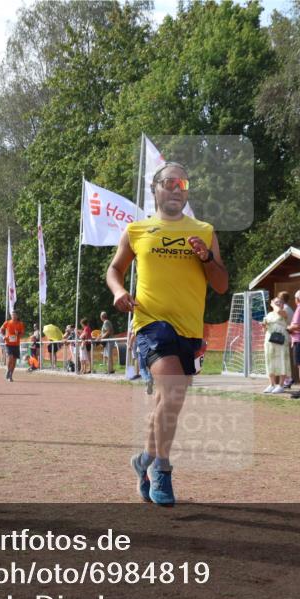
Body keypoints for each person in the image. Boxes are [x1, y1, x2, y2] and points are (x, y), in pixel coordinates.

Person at [107, 161, 228, 506]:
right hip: (151, 322)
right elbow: (114, 269)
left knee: (167, 401)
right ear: (155, 189)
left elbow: (221, 284)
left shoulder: (204, 231)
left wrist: (206, 258)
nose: (176, 188)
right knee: (172, 391)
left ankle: (143, 460)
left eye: (182, 184)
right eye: (169, 183)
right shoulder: (136, 230)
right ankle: (162, 469)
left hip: (189, 328)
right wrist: (118, 291)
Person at [262, 298, 290, 394]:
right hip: (269, 340)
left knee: (282, 360)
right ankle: (272, 384)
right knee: (270, 361)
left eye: (280, 302)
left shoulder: (284, 312)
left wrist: (273, 304)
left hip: (281, 340)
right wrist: (264, 326)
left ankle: (281, 385)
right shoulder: (269, 314)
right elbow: (265, 329)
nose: (278, 303)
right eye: (276, 302)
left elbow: (278, 311)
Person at [0, 309, 24, 381]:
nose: (13, 316)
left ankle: (10, 375)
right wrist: (3, 336)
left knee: (14, 361)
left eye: (15, 315)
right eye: (12, 315)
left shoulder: (20, 324)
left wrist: (18, 334)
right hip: (8, 344)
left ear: (17, 316)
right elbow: (1, 329)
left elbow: (22, 334)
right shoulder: (7, 322)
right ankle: (8, 370)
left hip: (16, 344)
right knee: (10, 358)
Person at [277, 291, 295, 388]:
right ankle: (287, 379)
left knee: (283, 359)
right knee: (283, 358)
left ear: (282, 299)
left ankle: (288, 379)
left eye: (278, 298)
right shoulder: (287, 308)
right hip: (285, 336)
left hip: (284, 337)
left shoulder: (285, 309)